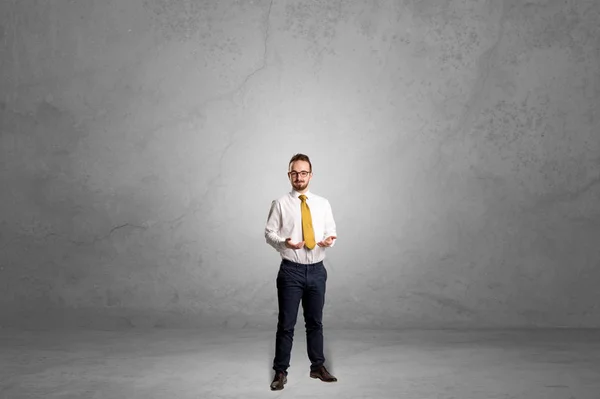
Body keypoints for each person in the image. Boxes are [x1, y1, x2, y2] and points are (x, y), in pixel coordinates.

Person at [264, 153, 338, 391]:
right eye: (294, 173)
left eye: (303, 172)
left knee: (315, 322)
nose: (299, 177)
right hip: (291, 272)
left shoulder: (322, 203)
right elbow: (269, 234)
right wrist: (285, 243)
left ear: (310, 175)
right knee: (286, 324)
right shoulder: (280, 203)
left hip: (317, 270)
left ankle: (317, 367)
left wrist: (328, 241)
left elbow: (331, 231)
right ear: (289, 175)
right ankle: (280, 372)